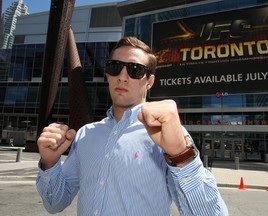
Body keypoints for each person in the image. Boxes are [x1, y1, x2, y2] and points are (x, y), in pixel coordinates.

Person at [36, 36, 228, 216]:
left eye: (135, 70)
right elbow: (55, 203)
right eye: (115, 67)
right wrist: (50, 163)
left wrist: (181, 155)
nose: (122, 76)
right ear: (107, 75)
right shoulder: (86, 134)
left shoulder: (167, 133)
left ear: (149, 82)